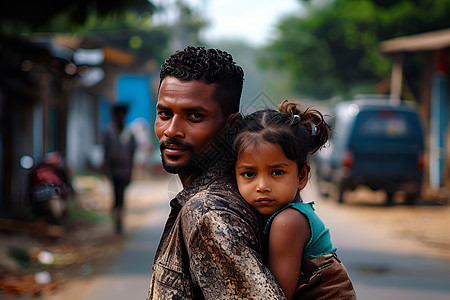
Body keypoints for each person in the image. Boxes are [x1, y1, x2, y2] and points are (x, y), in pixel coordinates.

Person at [147, 46, 286, 299]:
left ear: (231, 125)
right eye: (165, 114)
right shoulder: (220, 194)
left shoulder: (208, 213)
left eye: (195, 116)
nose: (172, 130)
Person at [232, 100, 357, 300]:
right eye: (249, 174)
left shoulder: (288, 221)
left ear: (301, 176)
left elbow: (276, 296)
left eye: (277, 172)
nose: (262, 185)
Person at [102, 103, 137, 235]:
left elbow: (132, 153)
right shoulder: (109, 131)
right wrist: (105, 169)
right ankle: (116, 219)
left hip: (125, 170)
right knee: (116, 194)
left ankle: (119, 218)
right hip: (113, 170)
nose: (120, 116)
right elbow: (105, 151)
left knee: (121, 195)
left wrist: (131, 171)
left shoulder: (129, 133)